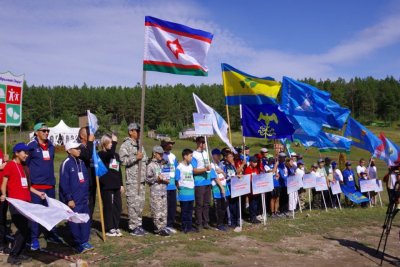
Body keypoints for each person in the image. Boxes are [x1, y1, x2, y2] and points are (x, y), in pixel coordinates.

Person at [0, 143, 46, 265]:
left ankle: (20, 253)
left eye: (27, 153)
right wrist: (4, 194)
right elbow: (4, 183)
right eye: (24, 152)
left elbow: (28, 187)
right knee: (23, 228)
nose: (26, 155)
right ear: (16, 153)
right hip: (16, 204)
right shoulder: (10, 165)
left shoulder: (25, 167)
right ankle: (13, 255)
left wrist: (38, 193)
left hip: (27, 203)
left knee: (28, 227)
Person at [26, 122, 62, 250]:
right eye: (43, 131)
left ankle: (51, 234)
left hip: (50, 186)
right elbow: (26, 164)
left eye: (48, 131)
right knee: (36, 214)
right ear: (36, 132)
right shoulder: (30, 147)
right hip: (36, 187)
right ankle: (34, 238)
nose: (46, 133)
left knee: (51, 212)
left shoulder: (51, 146)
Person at [59, 140, 93, 253]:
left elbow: (86, 179)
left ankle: (84, 241)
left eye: (79, 148)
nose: (79, 150)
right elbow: (64, 183)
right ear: (69, 150)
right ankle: (77, 243)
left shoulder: (81, 162)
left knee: (85, 219)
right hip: (73, 199)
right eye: (76, 148)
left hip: (83, 198)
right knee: (74, 221)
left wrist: (87, 195)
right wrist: (69, 198)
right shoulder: (66, 163)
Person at [119, 123, 148, 236]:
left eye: (139, 131)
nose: (138, 132)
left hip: (141, 180)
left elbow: (144, 160)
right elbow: (122, 160)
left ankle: (139, 225)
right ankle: (133, 227)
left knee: (140, 204)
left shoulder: (140, 145)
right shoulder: (126, 145)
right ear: (130, 131)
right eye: (136, 130)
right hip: (132, 180)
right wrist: (135, 158)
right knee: (133, 204)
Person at [98, 134, 124, 237]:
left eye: (111, 143)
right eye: (109, 143)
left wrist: (121, 184)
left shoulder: (115, 155)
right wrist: (115, 143)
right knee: (108, 206)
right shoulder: (101, 154)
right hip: (106, 185)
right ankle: (109, 227)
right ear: (104, 143)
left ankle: (116, 225)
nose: (111, 145)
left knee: (118, 206)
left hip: (116, 184)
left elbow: (118, 170)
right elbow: (109, 155)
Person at [146, 146, 169, 236]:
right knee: (157, 210)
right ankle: (158, 229)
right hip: (156, 191)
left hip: (163, 190)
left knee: (164, 210)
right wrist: (156, 178)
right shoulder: (151, 165)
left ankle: (163, 227)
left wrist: (167, 179)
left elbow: (166, 175)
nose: (161, 155)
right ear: (154, 153)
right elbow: (147, 179)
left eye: (162, 153)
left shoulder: (162, 164)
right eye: (159, 153)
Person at [191, 136, 212, 231]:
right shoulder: (194, 155)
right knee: (199, 204)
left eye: (205, 142)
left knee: (207, 203)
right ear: (199, 143)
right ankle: (198, 223)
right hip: (199, 182)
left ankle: (206, 221)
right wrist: (205, 169)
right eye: (203, 143)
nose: (204, 144)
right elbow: (194, 170)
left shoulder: (206, 153)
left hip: (207, 181)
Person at [175, 149, 197, 233]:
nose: (192, 157)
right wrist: (179, 188)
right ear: (185, 156)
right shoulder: (179, 167)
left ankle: (189, 226)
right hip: (183, 193)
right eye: (190, 156)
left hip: (191, 193)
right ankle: (184, 227)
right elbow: (176, 180)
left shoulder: (191, 166)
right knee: (184, 210)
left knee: (190, 211)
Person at [77, 127, 96, 219]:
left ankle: (89, 223)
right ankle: (83, 223)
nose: (91, 136)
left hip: (92, 179)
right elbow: (87, 156)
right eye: (88, 134)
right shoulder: (78, 146)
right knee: (85, 203)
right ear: (82, 136)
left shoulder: (91, 146)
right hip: (83, 181)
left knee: (92, 203)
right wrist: (90, 142)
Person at [161, 137, 178, 234]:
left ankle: (170, 224)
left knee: (172, 206)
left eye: (172, 143)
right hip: (163, 185)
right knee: (164, 206)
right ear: (164, 144)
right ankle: (162, 225)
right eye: (169, 143)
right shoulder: (160, 155)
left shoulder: (173, 156)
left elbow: (175, 169)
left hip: (172, 186)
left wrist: (176, 182)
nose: (171, 145)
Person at [210, 153, 230, 231]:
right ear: (213, 156)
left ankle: (222, 222)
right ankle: (219, 223)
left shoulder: (220, 165)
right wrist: (221, 188)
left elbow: (225, 176)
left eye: (220, 155)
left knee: (224, 206)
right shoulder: (211, 165)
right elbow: (215, 177)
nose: (219, 156)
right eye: (217, 155)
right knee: (219, 207)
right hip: (217, 189)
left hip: (225, 188)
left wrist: (222, 171)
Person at [222, 151, 241, 232]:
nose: (232, 158)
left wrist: (238, 176)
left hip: (235, 188)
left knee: (236, 205)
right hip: (228, 188)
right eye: (230, 156)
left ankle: (237, 221)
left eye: (232, 156)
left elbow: (235, 173)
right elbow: (225, 177)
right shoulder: (223, 166)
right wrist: (234, 176)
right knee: (230, 205)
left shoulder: (232, 166)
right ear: (226, 157)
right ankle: (231, 222)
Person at [244, 156, 261, 223]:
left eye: (256, 162)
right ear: (250, 162)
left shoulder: (256, 169)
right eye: (254, 162)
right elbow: (248, 179)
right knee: (252, 204)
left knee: (255, 204)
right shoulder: (248, 169)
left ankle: (254, 217)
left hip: (256, 190)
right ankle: (252, 218)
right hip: (251, 190)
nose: (256, 163)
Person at [0, 148, 9, 254]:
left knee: (2, 216)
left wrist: (6, 161)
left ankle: (2, 241)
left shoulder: (1, 151)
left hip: (3, 188)